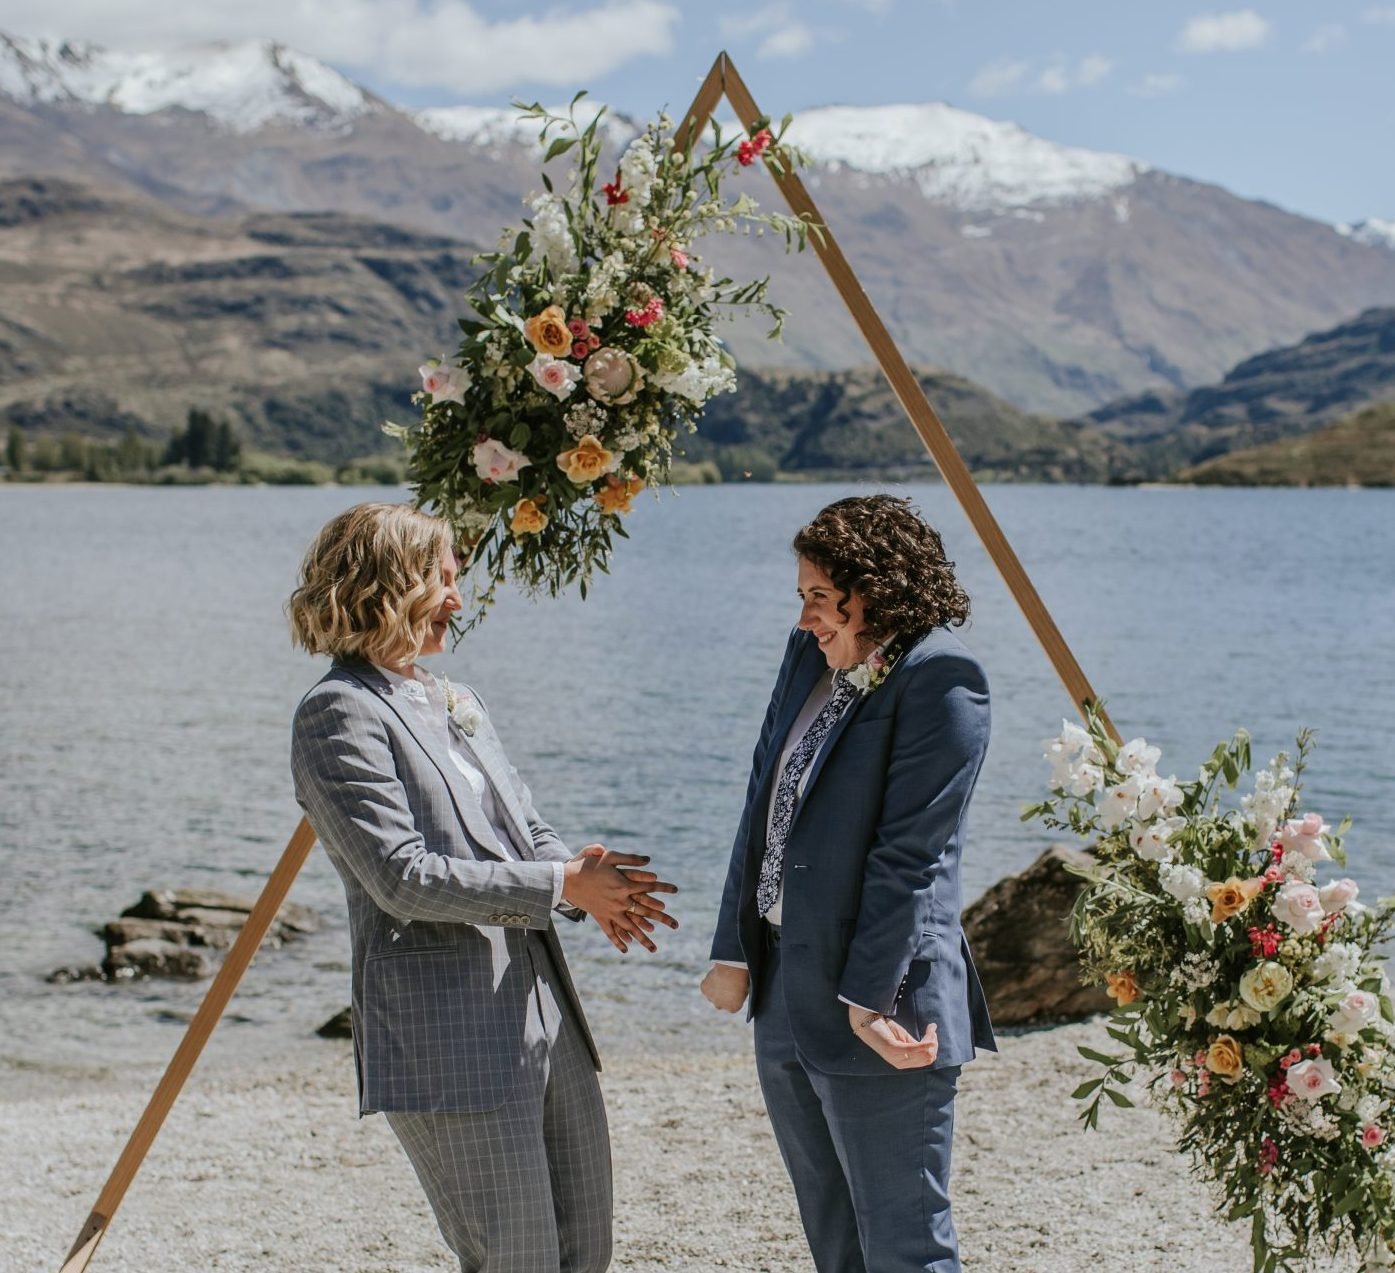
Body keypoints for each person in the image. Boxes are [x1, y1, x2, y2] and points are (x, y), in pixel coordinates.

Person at [288, 502, 677, 1273]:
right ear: (384, 585)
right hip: (448, 1036)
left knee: (583, 1251)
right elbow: (401, 877)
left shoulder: (451, 698)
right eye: (443, 579)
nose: (458, 601)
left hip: (543, 1012)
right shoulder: (337, 712)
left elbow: (525, 830)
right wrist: (557, 882)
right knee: (518, 1259)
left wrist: (584, 885)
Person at [700, 493, 996, 1273]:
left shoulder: (943, 680)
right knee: (833, 1241)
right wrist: (734, 947)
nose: (806, 618)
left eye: (821, 598)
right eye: (802, 597)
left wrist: (867, 999)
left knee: (903, 1244)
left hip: (886, 1003)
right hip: (783, 993)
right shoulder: (809, 658)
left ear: (880, 589)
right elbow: (763, 800)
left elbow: (910, 858)